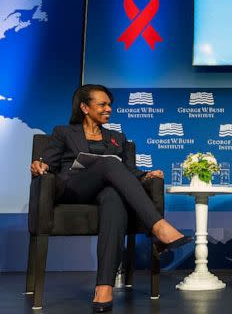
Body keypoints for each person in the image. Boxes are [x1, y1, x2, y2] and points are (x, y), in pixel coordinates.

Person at [30, 84, 191, 313]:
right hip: (74, 188)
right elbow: (49, 163)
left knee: (114, 197)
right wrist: (40, 165)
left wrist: (146, 175)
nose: (108, 109)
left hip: (105, 190)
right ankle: (158, 227)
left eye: (110, 105)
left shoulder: (117, 137)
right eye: (102, 104)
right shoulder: (63, 132)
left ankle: (104, 288)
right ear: (85, 107)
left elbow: (127, 170)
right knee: (108, 162)